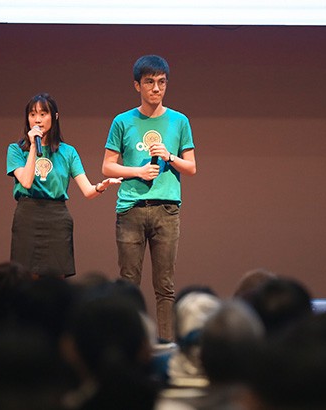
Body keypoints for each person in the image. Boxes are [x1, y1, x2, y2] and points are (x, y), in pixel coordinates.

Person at [101, 55, 197, 342]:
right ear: (137, 85)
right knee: (128, 284)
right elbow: (107, 166)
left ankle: (166, 346)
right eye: (149, 82)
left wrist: (170, 156)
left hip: (166, 209)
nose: (156, 88)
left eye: (161, 82)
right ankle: (128, 344)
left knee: (165, 286)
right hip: (131, 209)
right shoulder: (123, 121)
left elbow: (191, 167)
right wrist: (138, 171)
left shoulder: (179, 121)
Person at [7, 93, 122, 278]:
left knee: (56, 281)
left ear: (55, 116)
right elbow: (27, 181)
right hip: (27, 216)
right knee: (25, 279)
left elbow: (88, 191)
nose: (37, 119)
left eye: (43, 114)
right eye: (32, 114)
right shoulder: (16, 150)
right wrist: (34, 148)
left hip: (57, 218)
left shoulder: (68, 152)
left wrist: (102, 186)